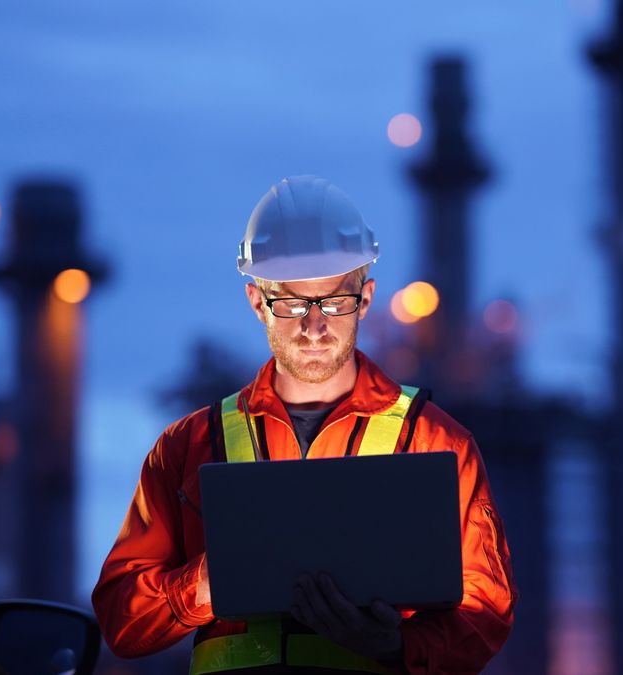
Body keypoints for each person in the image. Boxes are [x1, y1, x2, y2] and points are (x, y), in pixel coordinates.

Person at [92, 175, 515, 674]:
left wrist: (396, 644)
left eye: (334, 302)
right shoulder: (189, 447)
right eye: (292, 304)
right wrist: (203, 585)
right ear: (257, 303)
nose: (314, 327)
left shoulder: (436, 442)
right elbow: (121, 619)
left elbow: (486, 613)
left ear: (366, 298)